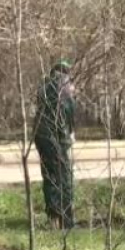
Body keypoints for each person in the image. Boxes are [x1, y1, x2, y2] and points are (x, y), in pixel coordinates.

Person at [34, 59, 77, 229]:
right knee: (64, 177)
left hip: (40, 137)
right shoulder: (64, 88)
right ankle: (66, 220)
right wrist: (70, 134)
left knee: (49, 175)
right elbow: (68, 111)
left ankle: (53, 217)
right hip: (56, 138)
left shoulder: (43, 88)